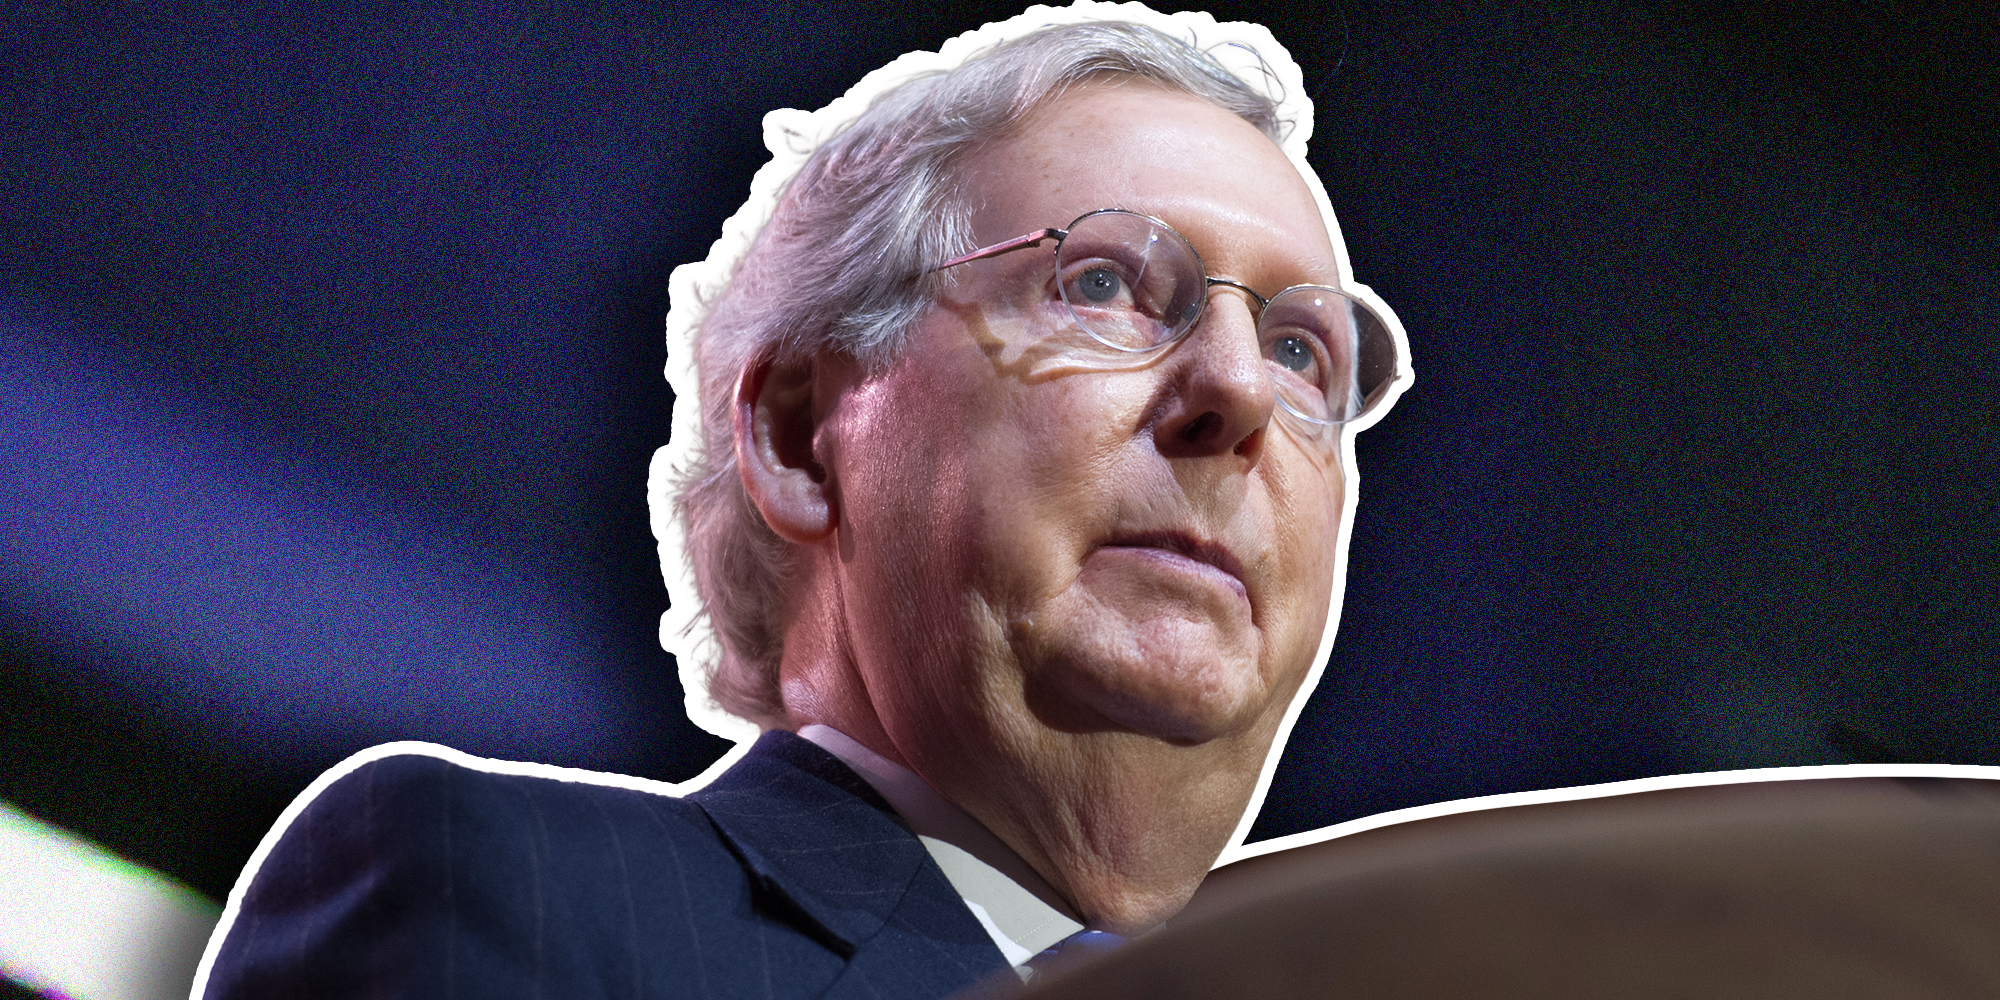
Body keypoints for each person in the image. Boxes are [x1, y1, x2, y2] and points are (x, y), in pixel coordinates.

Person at [193, 11, 1406, 998]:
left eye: (1303, 352)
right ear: (797, 436)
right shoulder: (509, 901)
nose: (1239, 389)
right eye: (1104, 284)